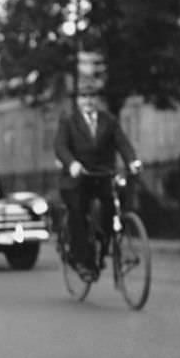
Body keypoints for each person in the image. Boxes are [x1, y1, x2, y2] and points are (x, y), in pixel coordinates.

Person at [54, 75, 142, 282]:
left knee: (111, 208)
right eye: (84, 96)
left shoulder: (108, 120)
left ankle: (103, 243)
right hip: (77, 177)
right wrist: (72, 163)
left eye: (92, 96)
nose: (88, 100)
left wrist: (132, 161)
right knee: (78, 211)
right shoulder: (69, 121)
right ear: (78, 100)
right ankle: (82, 261)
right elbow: (60, 146)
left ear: (97, 99)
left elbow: (122, 142)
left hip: (102, 175)